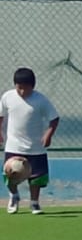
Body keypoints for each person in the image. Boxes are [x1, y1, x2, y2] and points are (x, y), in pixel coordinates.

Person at [2, 67, 60, 215]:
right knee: (9, 174)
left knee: (37, 178)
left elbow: (54, 118)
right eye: (19, 88)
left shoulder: (41, 100)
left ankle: (34, 203)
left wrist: (48, 135)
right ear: (15, 85)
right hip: (13, 146)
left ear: (32, 86)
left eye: (26, 88)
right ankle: (14, 196)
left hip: (36, 147)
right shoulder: (7, 97)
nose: (22, 91)